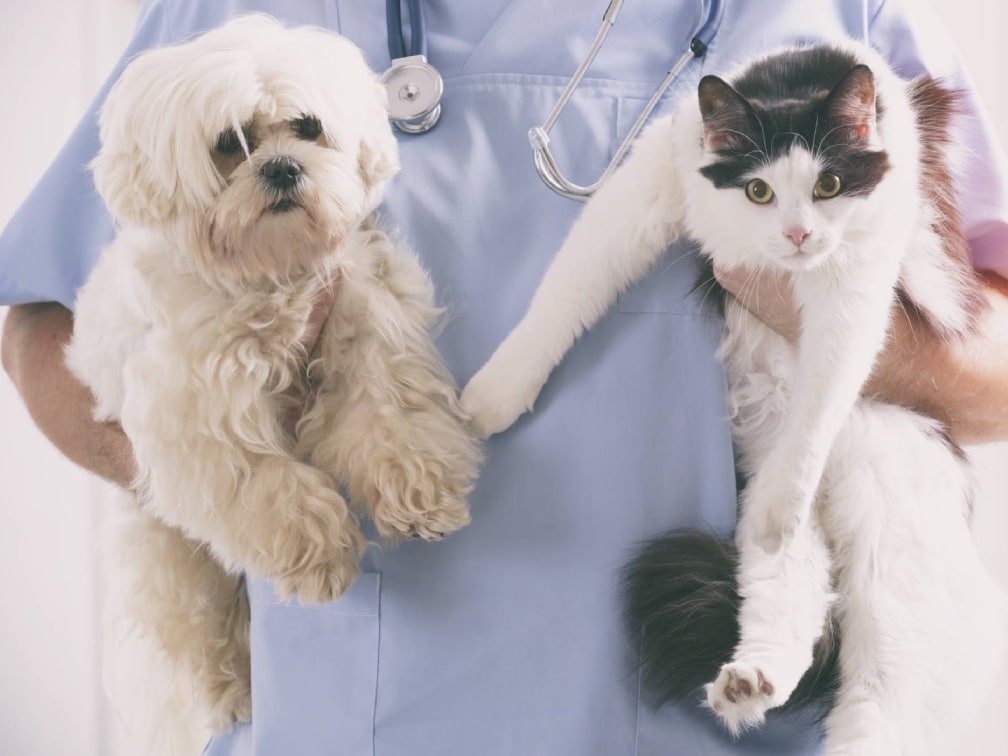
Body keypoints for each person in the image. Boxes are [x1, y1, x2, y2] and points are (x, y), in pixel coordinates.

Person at [3, 1, 1008, 754]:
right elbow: (43, 330)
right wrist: (212, 461)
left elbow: (996, 370)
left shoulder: (837, 11)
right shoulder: (230, 18)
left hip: (709, 703)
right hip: (356, 716)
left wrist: (833, 315)